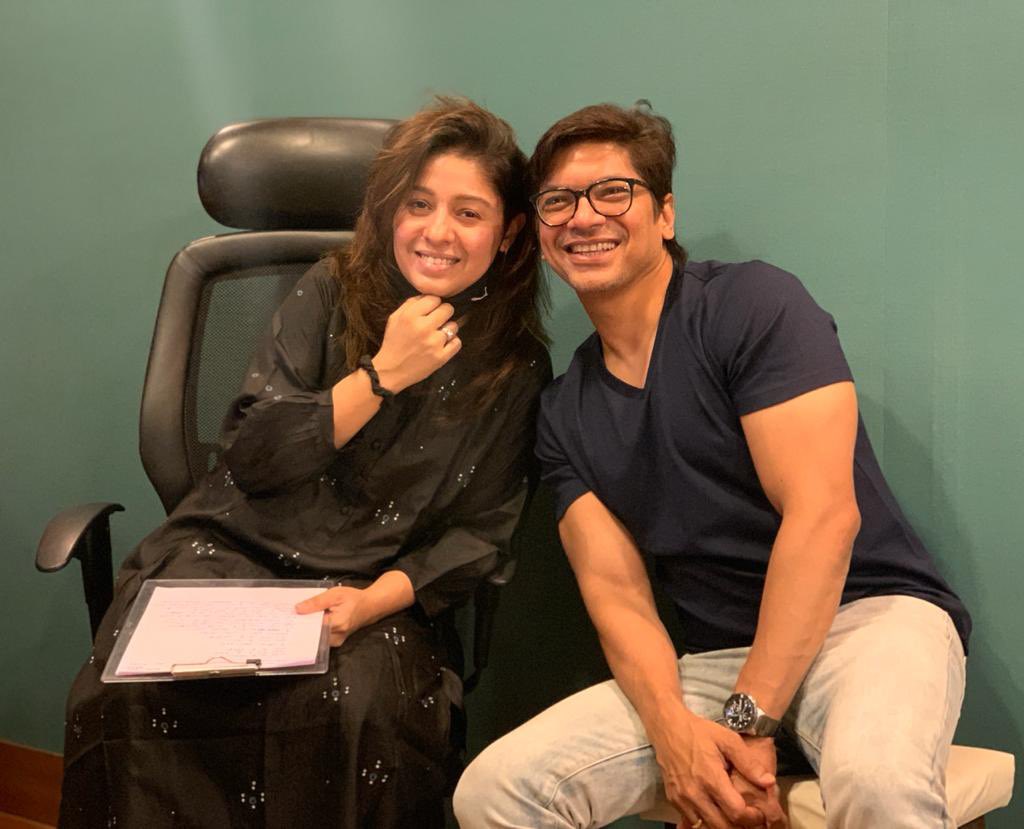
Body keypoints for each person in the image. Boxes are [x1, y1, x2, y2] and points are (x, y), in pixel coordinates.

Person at [454, 103, 970, 829]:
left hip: (867, 622)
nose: (583, 216)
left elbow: (824, 518)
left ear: (665, 214)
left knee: (877, 783)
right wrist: (674, 735)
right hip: (714, 659)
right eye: (558, 201)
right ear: (540, 233)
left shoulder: (753, 305)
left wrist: (748, 722)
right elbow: (619, 598)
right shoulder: (565, 412)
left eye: (613, 192)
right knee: (497, 789)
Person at [59, 97, 551, 829]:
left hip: (375, 584)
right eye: (418, 204)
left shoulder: (513, 366)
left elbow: (479, 535)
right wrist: (382, 374)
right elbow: (255, 458)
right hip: (235, 547)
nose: (437, 231)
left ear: (508, 232)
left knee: (359, 711)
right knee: (124, 693)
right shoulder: (330, 288)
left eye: (468, 212)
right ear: (389, 210)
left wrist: (369, 602)